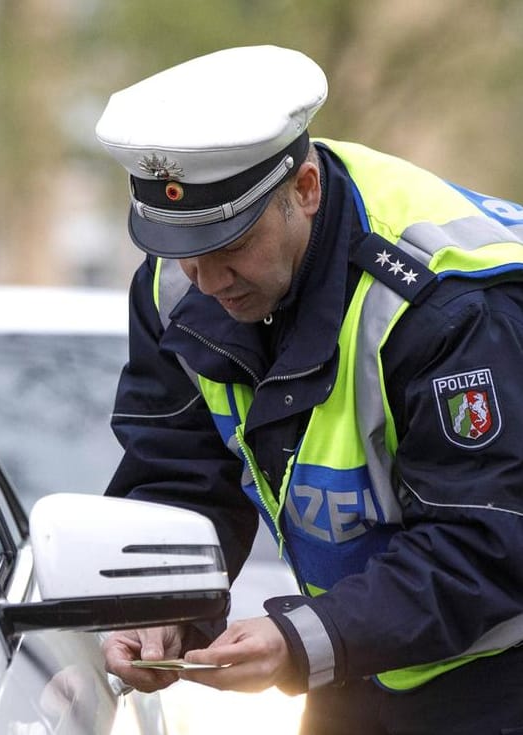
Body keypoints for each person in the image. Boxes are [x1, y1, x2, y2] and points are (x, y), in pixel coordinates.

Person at [94, 45, 523, 734]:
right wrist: (161, 609)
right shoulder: (176, 286)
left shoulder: (447, 302)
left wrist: (301, 638)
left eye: (231, 246)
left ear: (306, 190)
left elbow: (488, 540)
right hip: (360, 659)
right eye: (183, 250)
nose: (206, 281)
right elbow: (179, 474)